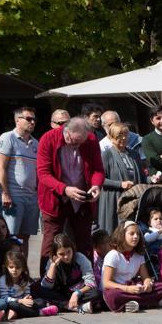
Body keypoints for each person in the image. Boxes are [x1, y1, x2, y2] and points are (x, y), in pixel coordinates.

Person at [37, 117, 104, 274]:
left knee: (84, 242)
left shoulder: (91, 139)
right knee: (51, 242)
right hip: (55, 199)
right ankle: (45, 283)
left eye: (81, 142)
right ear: (65, 132)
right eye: (73, 141)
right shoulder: (48, 138)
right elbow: (43, 173)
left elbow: (98, 169)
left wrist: (96, 185)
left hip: (82, 200)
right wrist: (65, 189)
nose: (77, 146)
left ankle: (86, 280)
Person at [102, 221, 162, 313]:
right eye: (132, 234)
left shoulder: (139, 256)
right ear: (122, 235)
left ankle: (131, 304)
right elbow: (106, 283)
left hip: (134, 288)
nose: (136, 236)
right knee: (113, 296)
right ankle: (148, 302)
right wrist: (127, 289)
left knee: (161, 287)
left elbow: (146, 277)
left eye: (137, 234)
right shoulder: (113, 255)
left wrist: (147, 284)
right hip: (119, 290)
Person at [0, 106, 39, 245]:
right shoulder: (7, 137)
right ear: (17, 120)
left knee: (25, 238)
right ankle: (8, 266)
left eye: (34, 119)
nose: (32, 122)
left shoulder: (35, 143)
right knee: (10, 236)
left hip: (31, 196)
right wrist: (5, 193)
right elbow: (0, 167)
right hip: (13, 195)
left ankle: (22, 266)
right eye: (28, 119)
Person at [32, 234, 99, 313]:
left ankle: (60, 305)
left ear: (72, 249)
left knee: (95, 293)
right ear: (55, 254)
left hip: (79, 291)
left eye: (68, 252)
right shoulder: (51, 262)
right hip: (60, 293)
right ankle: (70, 306)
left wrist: (77, 293)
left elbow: (90, 283)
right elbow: (47, 286)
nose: (66, 256)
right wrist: (53, 266)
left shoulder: (80, 258)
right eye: (61, 254)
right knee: (35, 288)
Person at [98, 123, 146, 234]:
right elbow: (100, 179)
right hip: (114, 200)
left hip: (132, 200)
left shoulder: (134, 154)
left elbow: (142, 178)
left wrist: (152, 179)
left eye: (126, 134)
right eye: (120, 135)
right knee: (116, 232)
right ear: (111, 137)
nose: (124, 138)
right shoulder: (106, 155)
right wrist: (120, 184)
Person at [0, 251, 58, 320]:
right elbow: (4, 298)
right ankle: (40, 312)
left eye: (18, 267)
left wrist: (28, 298)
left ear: (23, 268)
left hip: (23, 303)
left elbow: (27, 293)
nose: (14, 270)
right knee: (12, 305)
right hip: (12, 303)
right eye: (11, 267)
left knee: (40, 301)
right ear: (6, 267)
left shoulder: (24, 279)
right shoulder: (3, 280)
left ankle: (18, 313)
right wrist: (20, 301)